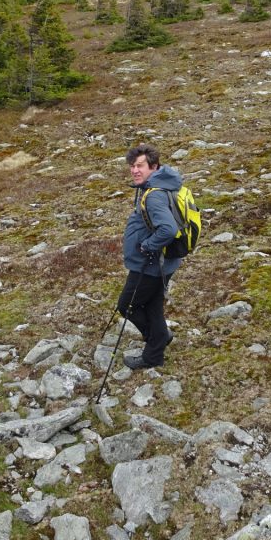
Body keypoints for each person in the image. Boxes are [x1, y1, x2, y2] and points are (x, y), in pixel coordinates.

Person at [119, 143, 183, 370]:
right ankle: (158, 341)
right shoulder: (160, 186)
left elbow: (168, 229)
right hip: (163, 263)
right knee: (153, 306)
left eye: (140, 166)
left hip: (150, 265)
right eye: (132, 166)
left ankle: (156, 345)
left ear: (154, 167)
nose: (135, 170)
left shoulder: (154, 195)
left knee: (127, 306)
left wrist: (146, 246)